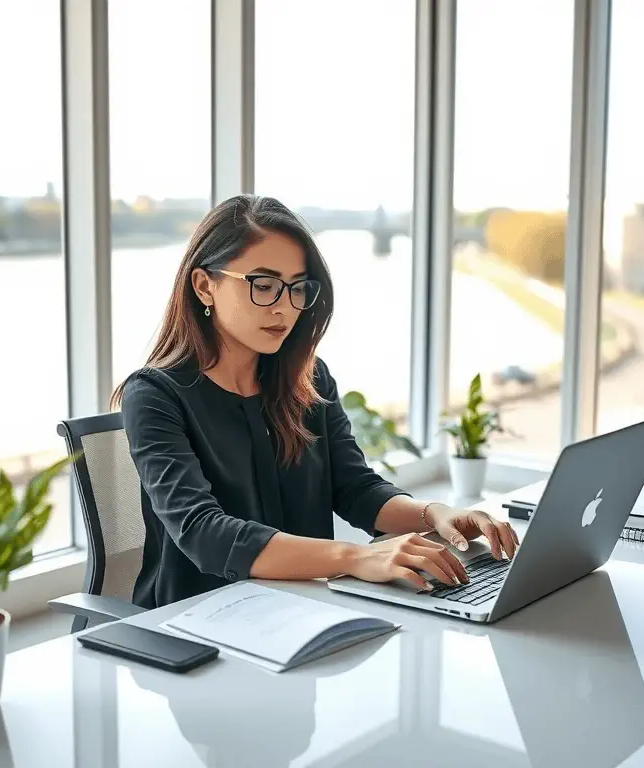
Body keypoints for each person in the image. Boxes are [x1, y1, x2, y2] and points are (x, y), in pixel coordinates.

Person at [114, 194, 518, 608]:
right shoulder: (153, 395)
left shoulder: (309, 378)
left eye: (297, 288)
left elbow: (355, 489)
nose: (285, 308)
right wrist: (357, 557)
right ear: (205, 286)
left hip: (303, 611)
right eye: (264, 286)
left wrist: (435, 514)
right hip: (198, 622)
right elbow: (204, 533)